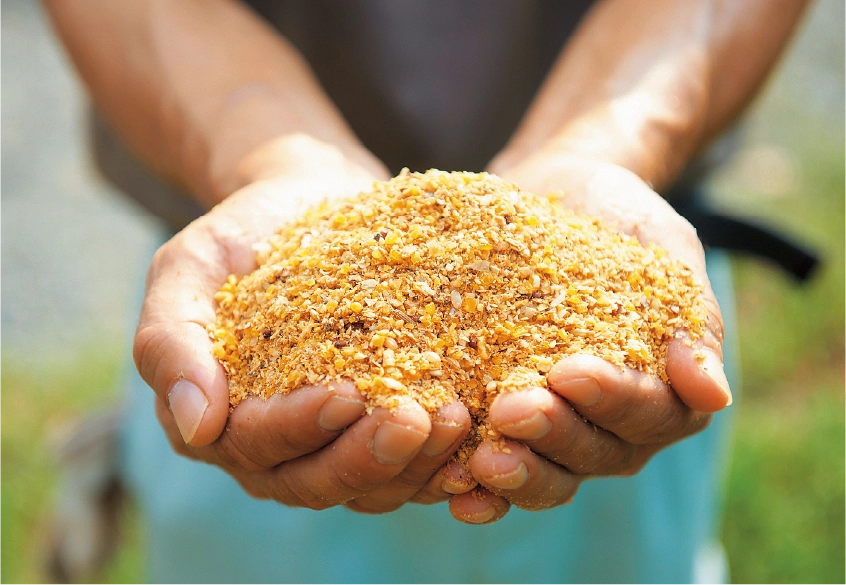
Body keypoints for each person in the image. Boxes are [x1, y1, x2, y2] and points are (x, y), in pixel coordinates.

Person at [44, 0, 811, 583]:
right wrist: (261, 147)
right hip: (249, 255)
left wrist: (613, 133)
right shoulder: (262, 282)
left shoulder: (614, 279)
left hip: (620, 257)